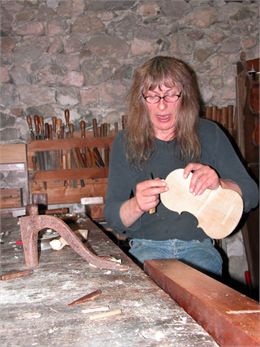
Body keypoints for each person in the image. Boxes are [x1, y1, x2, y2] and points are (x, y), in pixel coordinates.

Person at [104, 55, 258, 277]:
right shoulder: (125, 142)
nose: (163, 104)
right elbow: (113, 216)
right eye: (153, 96)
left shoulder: (209, 133)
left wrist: (220, 183)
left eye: (171, 94)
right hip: (146, 249)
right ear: (141, 100)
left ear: (184, 96)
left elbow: (252, 194)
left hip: (198, 250)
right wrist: (137, 204)